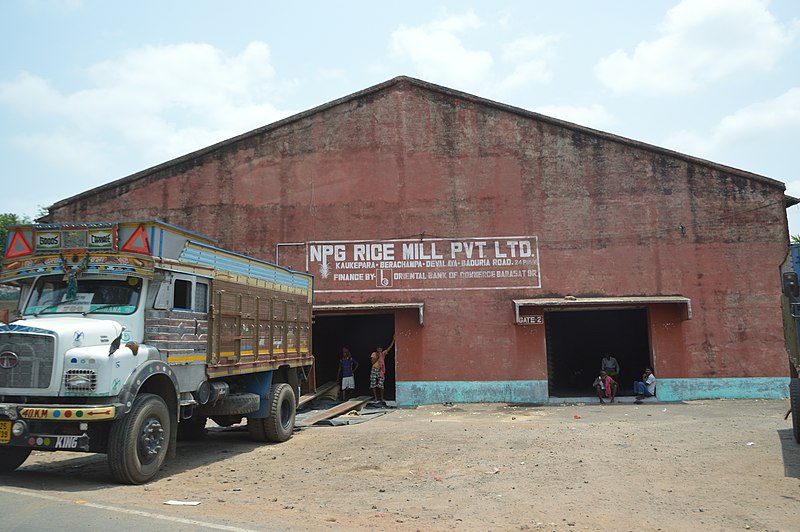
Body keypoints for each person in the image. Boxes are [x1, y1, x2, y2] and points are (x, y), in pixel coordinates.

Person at [370, 336, 395, 406]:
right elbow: (372, 362)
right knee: (373, 384)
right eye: (378, 348)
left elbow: (389, 348)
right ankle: (375, 398)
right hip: (374, 369)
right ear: (376, 349)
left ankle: (381, 398)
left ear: (382, 349)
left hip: (380, 370)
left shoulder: (383, 353)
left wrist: (393, 340)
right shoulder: (374, 354)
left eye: (380, 348)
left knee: (381, 384)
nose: (379, 349)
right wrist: (378, 357)